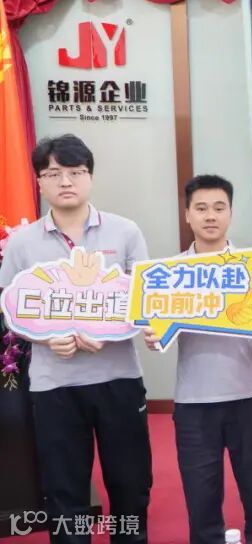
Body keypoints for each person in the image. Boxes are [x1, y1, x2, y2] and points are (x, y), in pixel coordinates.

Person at [0, 135, 152, 543]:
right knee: (64, 491)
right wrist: (45, 339)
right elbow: (11, 312)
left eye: (75, 172)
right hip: (54, 386)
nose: (65, 181)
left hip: (118, 378)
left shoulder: (125, 232)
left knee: (131, 484)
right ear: (39, 182)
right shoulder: (22, 243)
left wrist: (110, 330)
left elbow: (144, 300)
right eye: (53, 173)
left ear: (90, 176)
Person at [143, 175, 252, 544]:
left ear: (231, 213)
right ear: (187, 214)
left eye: (219, 208)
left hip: (248, 395)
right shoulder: (171, 273)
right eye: (201, 208)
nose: (210, 216)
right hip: (194, 401)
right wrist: (154, 337)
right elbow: (158, 333)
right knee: (201, 498)